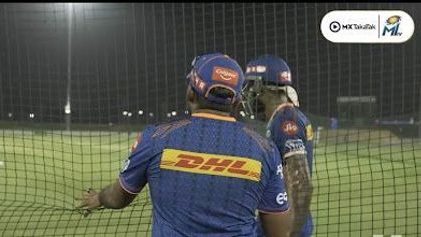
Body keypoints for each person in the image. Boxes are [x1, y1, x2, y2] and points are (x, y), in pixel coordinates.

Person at [77, 52, 294, 236]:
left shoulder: (155, 137)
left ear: (191, 92)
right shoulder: (265, 149)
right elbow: (278, 230)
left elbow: (118, 197)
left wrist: (99, 198)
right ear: (236, 101)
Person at [242, 55, 314, 237]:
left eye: (251, 87)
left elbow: (301, 183)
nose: (248, 93)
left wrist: (291, 231)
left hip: (284, 223)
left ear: (262, 88)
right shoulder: (284, 117)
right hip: (279, 218)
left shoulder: (285, 119)